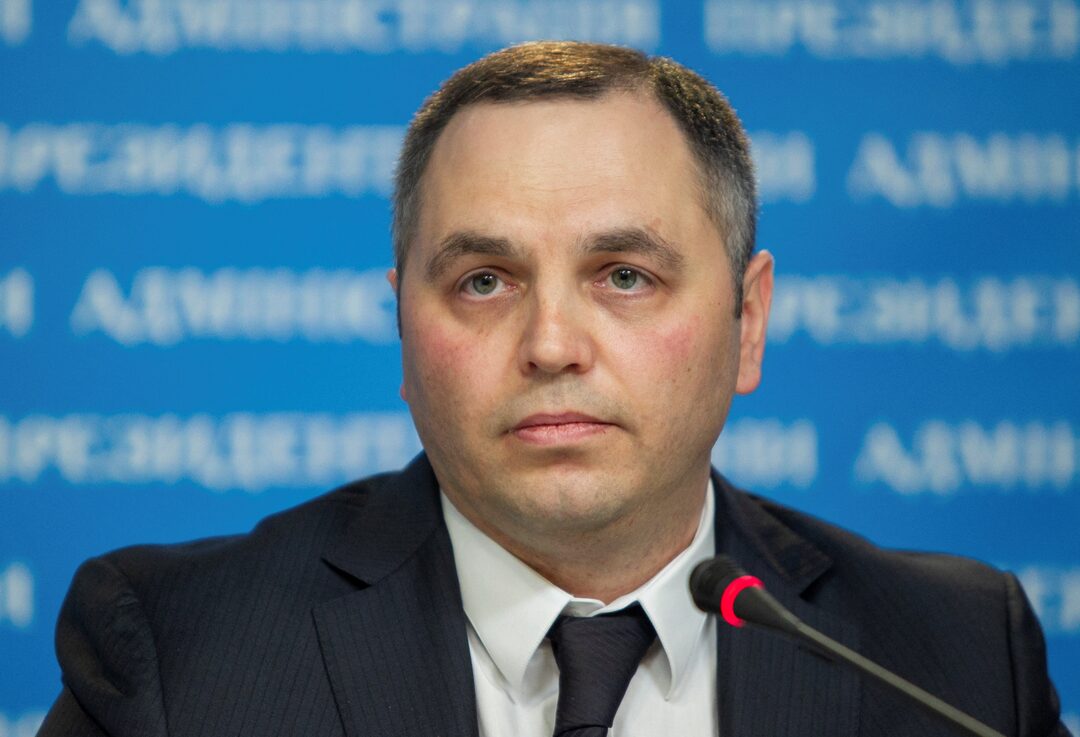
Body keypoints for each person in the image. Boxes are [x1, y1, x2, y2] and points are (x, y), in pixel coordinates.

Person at [40, 42, 1069, 737]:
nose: (550, 344)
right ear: (403, 326)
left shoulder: (957, 659)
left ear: (747, 322)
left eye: (625, 276)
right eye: (484, 281)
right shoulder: (180, 656)